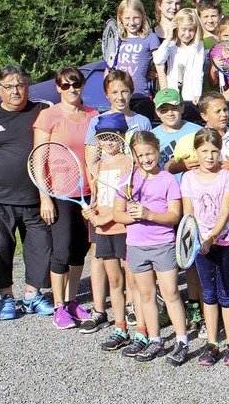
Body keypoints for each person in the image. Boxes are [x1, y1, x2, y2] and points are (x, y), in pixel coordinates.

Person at [0, 66, 54, 321]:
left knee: (40, 248)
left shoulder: (44, 109)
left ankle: (32, 295)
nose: (15, 90)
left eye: (20, 85)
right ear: (0, 90)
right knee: (0, 249)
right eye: (9, 86)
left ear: (28, 87)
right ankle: (6, 297)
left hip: (37, 197)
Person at [79, 70, 150, 334]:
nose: (120, 97)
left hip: (125, 210)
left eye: (124, 91)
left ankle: (134, 309)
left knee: (130, 262)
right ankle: (100, 310)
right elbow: (91, 163)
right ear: (106, 95)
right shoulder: (97, 122)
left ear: (131, 92)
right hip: (101, 208)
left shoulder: (141, 121)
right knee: (101, 261)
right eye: (114, 92)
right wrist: (96, 201)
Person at [112, 131, 189, 365]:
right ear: (134, 156)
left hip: (163, 245)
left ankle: (181, 340)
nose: (146, 159)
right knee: (146, 296)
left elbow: (175, 216)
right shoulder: (127, 181)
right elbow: (117, 214)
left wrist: (149, 214)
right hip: (136, 246)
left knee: (171, 293)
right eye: (141, 155)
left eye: (150, 153)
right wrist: (132, 217)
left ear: (158, 151)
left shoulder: (167, 180)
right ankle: (155, 339)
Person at [32, 66, 99, 329]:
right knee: (61, 250)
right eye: (65, 85)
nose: (72, 89)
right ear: (58, 88)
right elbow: (39, 157)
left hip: (88, 194)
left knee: (79, 251)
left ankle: (72, 302)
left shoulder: (93, 115)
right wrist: (44, 197)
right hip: (60, 193)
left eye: (76, 83)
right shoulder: (48, 116)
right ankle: (59, 306)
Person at [180, 127, 229, 366]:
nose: (209, 156)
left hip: (225, 242)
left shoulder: (228, 178)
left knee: (226, 292)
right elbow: (188, 216)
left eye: (214, 151)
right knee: (208, 293)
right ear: (196, 151)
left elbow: (225, 214)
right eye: (204, 151)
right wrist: (196, 241)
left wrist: (211, 238)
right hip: (200, 245)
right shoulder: (188, 178)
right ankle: (211, 342)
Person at [151, 88, 203, 331]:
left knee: (189, 256)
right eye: (164, 109)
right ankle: (166, 305)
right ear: (157, 112)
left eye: (174, 107)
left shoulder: (196, 131)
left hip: (191, 200)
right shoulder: (151, 136)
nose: (170, 112)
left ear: (182, 107)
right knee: (164, 259)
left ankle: (194, 306)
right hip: (161, 204)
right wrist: (176, 166)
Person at [81, 112, 133, 351]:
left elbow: (127, 199)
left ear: (122, 138)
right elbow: (97, 197)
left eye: (113, 137)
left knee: (132, 279)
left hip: (123, 227)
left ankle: (141, 327)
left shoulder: (128, 162)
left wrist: (107, 217)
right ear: (97, 141)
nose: (108, 142)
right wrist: (92, 212)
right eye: (103, 138)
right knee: (114, 279)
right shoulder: (97, 166)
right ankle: (120, 328)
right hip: (103, 230)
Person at [113, 0, 161, 119]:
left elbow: (160, 67)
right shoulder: (116, 40)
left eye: (135, 18)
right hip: (120, 98)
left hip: (141, 97)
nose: (132, 22)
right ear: (121, 19)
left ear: (142, 17)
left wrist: (161, 95)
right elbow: (109, 68)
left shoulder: (150, 38)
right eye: (127, 18)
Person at [153, 8, 205, 105]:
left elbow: (198, 72)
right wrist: (168, 38)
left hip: (190, 96)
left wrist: (197, 94)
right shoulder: (171, 45)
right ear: (176, 29)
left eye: (191, 30)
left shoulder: (198, 46)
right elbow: (158, 60)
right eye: (184, 30)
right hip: (172, 94)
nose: (187, 34)